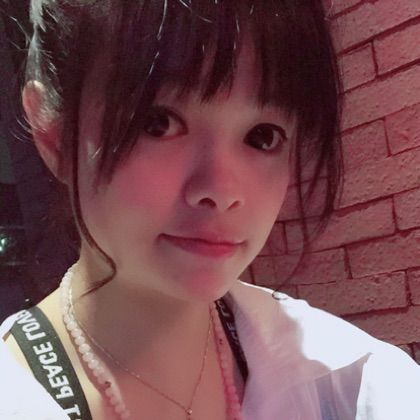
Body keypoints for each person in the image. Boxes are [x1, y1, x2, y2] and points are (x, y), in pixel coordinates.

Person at [1, 1, 419, 419]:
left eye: (263, 136)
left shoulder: (351, 382)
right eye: (158, 123)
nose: (222, 192)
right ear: (54, 136)